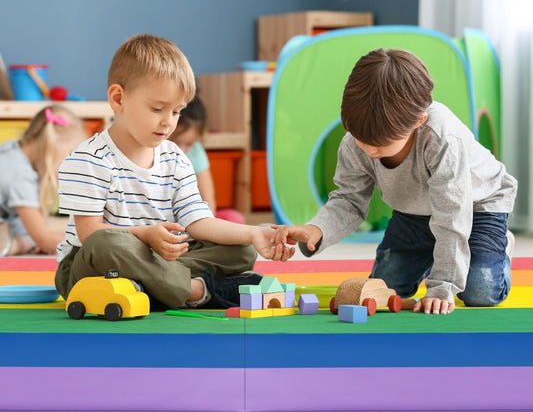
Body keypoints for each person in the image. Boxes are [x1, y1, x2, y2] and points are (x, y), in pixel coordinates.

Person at [54, 34, 294, 310]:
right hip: (88, 269)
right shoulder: (88, 159)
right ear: (118, 99)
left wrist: (253, 233)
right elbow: (89, 234)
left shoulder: (175, 157)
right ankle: (195, 291)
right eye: (157, 108)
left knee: (241, 248)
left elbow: (198, 221)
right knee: (105, 242)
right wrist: (147, 235)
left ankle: (150, 287)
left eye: (177, 111)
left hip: (158, 259)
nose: (168, 122)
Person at [271, 48, 517, 315]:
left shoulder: (442, 138)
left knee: (480, 291)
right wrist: (317, 230)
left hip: (476, 205)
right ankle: (441, 252)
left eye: (379, 144)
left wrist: (442, 286)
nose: (368, 149)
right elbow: (349, 200)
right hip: (413, 212)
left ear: (418, 121)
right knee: (384, 289)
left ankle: (501, 242)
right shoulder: (356, 141)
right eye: (359, 139)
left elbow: (452, 214)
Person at [0, 105, 86, 256]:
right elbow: (43, 238)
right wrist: (85, 249)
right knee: (21, 242)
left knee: (21, 232)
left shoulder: (11, 150)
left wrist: (39, 240)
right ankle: (16, 245)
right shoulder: (21, 176)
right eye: (70, 154)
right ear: (52, 146)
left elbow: (18, 218)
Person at [168, 95, 245, 223]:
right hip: (167, 218)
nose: (181, 150)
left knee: (234, 218)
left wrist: (210, 222)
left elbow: (208, 197)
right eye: (175, 142)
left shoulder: (196, 152)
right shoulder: (159, 152)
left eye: (188, 144)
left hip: (194, 217)